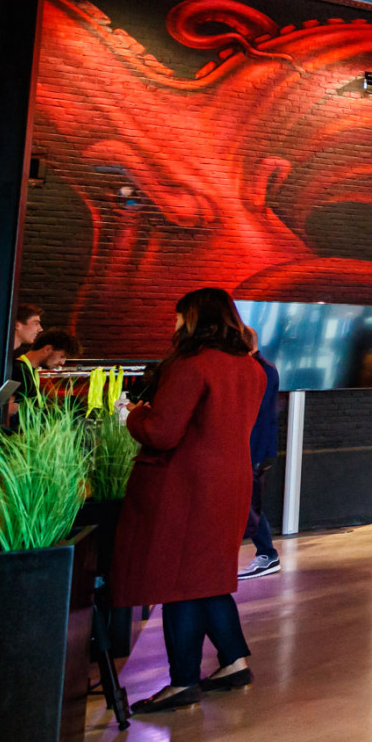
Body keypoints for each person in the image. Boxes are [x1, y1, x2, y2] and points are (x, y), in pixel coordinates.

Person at [110, 288, 267, 714]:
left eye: (179, 316)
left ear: (195, 318)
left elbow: (162, 433)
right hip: (230, 481)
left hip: (187, 485)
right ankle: (234, 663)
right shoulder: (251, 368)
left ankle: (182, 683)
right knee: (207, 577)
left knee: (179, 582)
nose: (175, 324)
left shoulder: (191, 364)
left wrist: (133, 414)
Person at [238, 325, 281, 580]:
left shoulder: (259, 370)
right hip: (255, 447)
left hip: (255, 448)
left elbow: (254, 412)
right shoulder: (264, 368)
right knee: (247, 502)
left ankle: (267, 553)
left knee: (249, 504)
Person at [14, 328, 79, 401]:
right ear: (47, 349)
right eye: (62, 357)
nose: (62, 363)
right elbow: (11, 405)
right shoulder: (18, 371)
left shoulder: (29, 371)